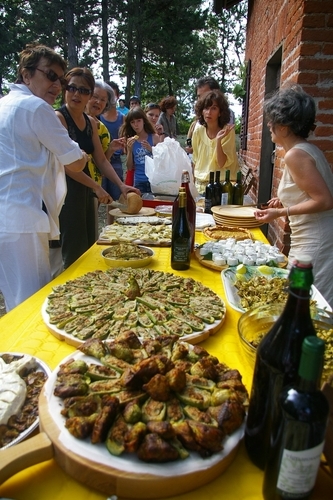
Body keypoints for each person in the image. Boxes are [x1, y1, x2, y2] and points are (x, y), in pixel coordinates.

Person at [0, 44, 88, 312]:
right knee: (30, 302)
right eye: (50, 76)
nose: (57, 86)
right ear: (26, 75)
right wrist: (82, 153)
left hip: (9, 216)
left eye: (60, 80)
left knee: (15, 297)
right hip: (22, 217)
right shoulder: (35, 108)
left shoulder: (4, 104)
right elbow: (74, 161)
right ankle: (23, 353)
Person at [254, 84, 333, 307]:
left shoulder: (295, 155)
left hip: (314, 240)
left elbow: (324, 200)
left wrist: (280, 211)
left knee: (307, 304)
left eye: (273, 120)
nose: (269, 125)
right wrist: (285, 199)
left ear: (286, 127)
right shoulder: (306, 149)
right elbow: (308, 191)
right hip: (312, 237)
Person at [56, 67, 139, 269]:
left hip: (86, 189)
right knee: (73, 251)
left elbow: (101, 160)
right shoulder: (59, 118)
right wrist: (96, 187)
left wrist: (121, 186)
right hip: (66, 191)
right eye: (72, 88)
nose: (77, 94)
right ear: (64, 89)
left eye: (84, 90)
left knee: (89, 245)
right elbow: (65, 165)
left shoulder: (90, 123)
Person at [192, 89, 238, 194]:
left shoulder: (227, 131)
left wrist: (218, 141)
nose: (209, 112)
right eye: (206, 108)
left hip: (222, 186)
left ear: (220, 112)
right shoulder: (198, 130)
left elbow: (221, 163)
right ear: (202, 111)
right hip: (201, 186)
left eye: (214, 108)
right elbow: (195, 159)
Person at [120, 106, 160, 194]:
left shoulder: (154, 137)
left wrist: (151, 149)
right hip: (139, 180)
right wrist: (130, 151)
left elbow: (162, 159)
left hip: (154, 180)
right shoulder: (130, 141)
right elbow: (129, 167)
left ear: (144, 121)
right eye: (132, 122)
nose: (136, 125)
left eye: (138, 121)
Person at [99, 82, 126, 201]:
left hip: (115, 161)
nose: (110, 100)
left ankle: (111, 220)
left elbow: (125, 140)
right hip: (98, 160)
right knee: (99, 196)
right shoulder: (98, 117)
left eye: (112, 96)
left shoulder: (122, 118)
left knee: (116, 198)